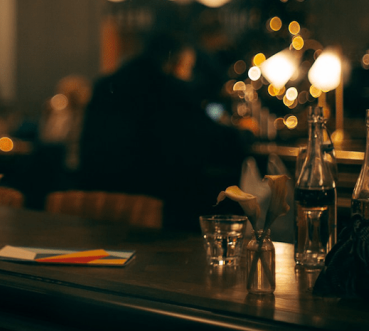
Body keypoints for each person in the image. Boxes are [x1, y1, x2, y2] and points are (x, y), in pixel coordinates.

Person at [79, 32, 251, 231]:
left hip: (95, 198)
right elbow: (216, 141)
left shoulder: (107, 83)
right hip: (151, 203)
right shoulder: (168, 88)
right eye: (187, 67)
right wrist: (242, 133)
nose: (188, 75)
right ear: (175, 62)